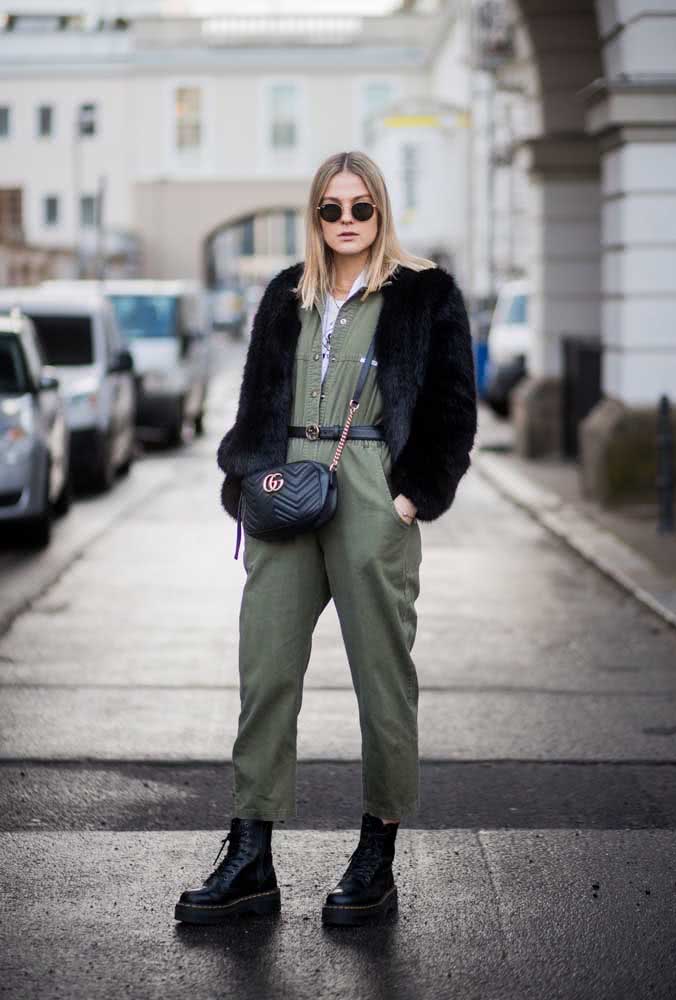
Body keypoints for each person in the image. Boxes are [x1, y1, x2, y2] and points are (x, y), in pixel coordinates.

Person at [175, 151, 477, 927]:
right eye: (331, 210)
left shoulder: (425, 294)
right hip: (284, 486)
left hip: (375, 483)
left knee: (382, 674)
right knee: (265, 667)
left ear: (382, 212)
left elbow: (452, 403)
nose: (346, 223)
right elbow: (254, 398)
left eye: (361, 208)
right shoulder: (288, 293)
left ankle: (377, 851)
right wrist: (245, 480)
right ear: (314, 217)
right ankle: (250, 858)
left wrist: (414, 495)